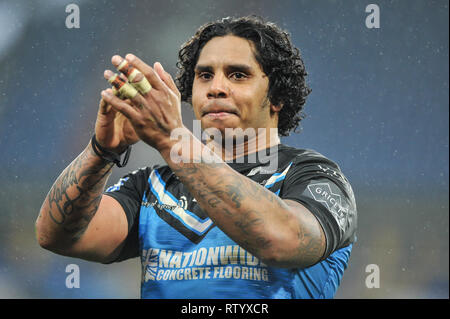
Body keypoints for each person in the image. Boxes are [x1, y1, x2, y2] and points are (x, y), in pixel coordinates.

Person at [36, 16, 357, 299]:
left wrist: (171, 139)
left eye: (237, 75)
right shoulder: (152, 185)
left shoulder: (314, 176)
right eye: (205, 75)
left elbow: (281, 240)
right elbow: (57, 236)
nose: (216, 87)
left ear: (278, 97)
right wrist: (101, 151)